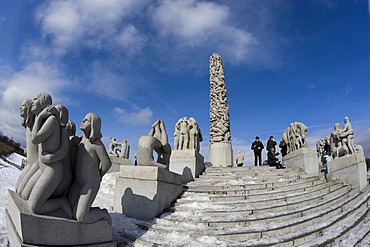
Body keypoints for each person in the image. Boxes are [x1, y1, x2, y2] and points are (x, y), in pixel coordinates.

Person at [67, 112, 112, 224]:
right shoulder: (80, 140)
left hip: (90, 184)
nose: (82, 121)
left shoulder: (96, 144)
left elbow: (107, 163)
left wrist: (98, 176)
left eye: (86, 120)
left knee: (81, 217)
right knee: (69, 212)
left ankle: (103, 214)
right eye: (83, 119)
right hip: (78, 183)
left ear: (93, 125)